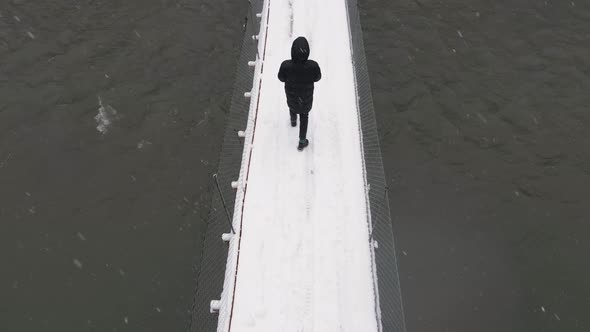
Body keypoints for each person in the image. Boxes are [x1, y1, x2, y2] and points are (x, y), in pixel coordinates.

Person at [278, 36, 322, 150]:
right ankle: (302, 141)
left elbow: (281, 78)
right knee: (304, 116)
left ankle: (293, 120)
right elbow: (318, 78)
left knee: (292, 106)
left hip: (292, 95)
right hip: (306, 99)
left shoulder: (286, 65)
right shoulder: (313, 66)